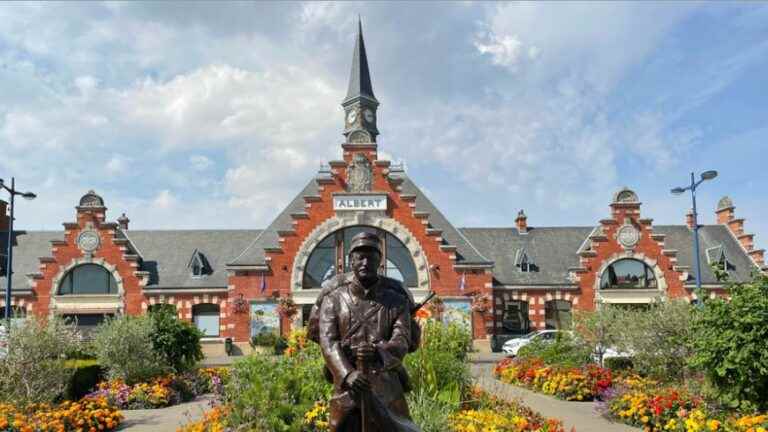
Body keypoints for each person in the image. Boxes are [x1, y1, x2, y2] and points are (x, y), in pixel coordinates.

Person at [318, 232, 420, 432]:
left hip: (386, 387)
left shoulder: (397, 301)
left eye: (371, 258)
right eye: (359, 257)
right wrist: (348, 374)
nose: (365, 262)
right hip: (348, 388)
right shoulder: (333, 299)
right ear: (350, 261)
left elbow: (402, 340)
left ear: (379, 262)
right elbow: (328, 342)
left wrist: (378, 352)